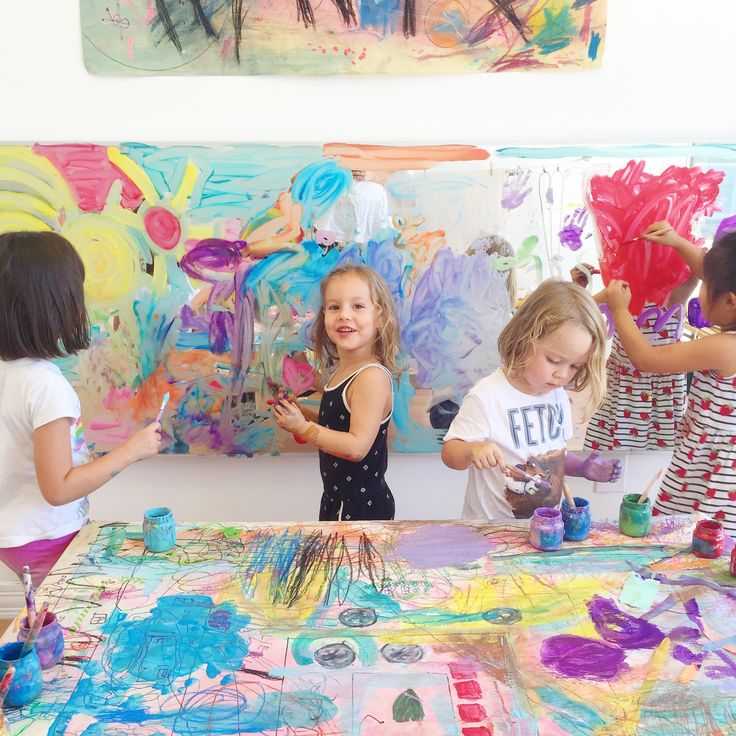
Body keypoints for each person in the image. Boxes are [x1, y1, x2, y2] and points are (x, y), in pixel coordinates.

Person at [0, 231, 162, 584]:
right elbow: (58, 489)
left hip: (17, 534)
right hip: (46, 536)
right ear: (53, 305)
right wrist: (131, 451)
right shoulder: (44, 385)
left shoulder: (9, 373)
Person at [441, 279, 622, 520]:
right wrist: (472, 449)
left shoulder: (557, 395)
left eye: (575, 366)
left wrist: (582, 468)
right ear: (524, 338)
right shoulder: (487, 396)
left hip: (545, 529)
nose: (563, 374)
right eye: (554, 361)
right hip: (490, 533)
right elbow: (450, 452)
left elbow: (555, 457)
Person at [604, 220, 736, 535]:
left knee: (687, 542)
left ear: (731, 301)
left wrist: (619, 310)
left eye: (705, 283)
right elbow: (714, 273)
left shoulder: (724, 349)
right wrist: (677, 242)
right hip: (710, 464)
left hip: (709, 478)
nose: (699, 283)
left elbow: (646, 359)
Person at [272, 264, 401, 520]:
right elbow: (341, 426)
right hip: (337, 500)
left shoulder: (370, 377)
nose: (344, 315)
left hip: (361, 509)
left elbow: (356, 447)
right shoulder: (343, 369)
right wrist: (303, 415)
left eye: (358, 306)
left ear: (380, 316)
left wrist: (302, 428)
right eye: (334, 307)